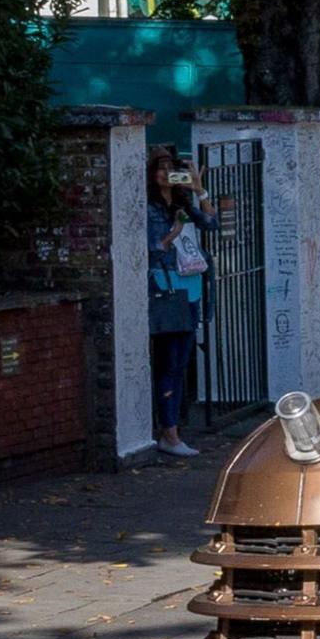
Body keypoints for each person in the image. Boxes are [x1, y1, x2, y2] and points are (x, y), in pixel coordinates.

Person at [143, 151, 212, 456]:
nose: (167, 173)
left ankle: (172, 430)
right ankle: (168, 433)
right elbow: (152, 248)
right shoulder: (150, 207)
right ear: (152, 174)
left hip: (191, 287)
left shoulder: (182, 202)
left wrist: (199, 190)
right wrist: (175, 231)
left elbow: (210, 223)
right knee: (169, 362)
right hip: (166, 286)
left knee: (181, 362)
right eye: (162, 169)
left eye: (172, 169)